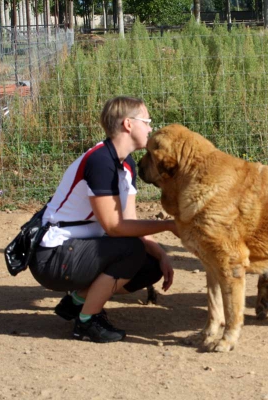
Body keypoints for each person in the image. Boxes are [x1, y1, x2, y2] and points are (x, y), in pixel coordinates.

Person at [30, 97, 178, 343]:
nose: (151, 128)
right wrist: (169, 226)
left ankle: (76, 302)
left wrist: (161, 254)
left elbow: (130, 220)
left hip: (76, 250)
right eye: (147, 121)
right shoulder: (100, 162)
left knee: (150, 264)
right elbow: (115, 227)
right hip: (52, 258)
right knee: (129, 249)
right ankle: (87, 322)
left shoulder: (126, 163)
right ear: (128, 124)